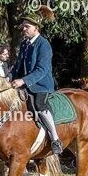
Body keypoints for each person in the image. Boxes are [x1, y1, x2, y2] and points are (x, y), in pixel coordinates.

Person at [9, 12, 62, 157]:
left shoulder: (44, 44)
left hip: (41, 85)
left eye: (27, 26)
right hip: (23, 84)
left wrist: (24, 80)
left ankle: (55, 138)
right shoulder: (25, 44)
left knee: (40, 105)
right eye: (23, 27)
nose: (24, 29)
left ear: (36, 28)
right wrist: (8, 79)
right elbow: (17, 66)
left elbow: (42, 69)